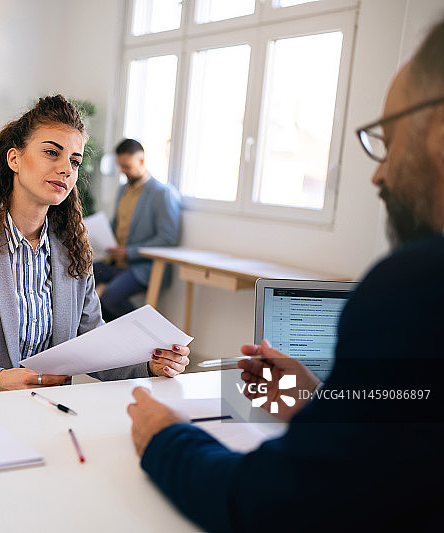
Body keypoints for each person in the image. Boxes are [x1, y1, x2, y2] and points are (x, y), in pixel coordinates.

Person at [126, 18, 444, 532]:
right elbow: (412, 421)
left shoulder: (417, 287)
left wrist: (167, 438)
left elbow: (274, 505)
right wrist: (323, 404)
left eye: (388, 142)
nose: (378, 174)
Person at [0, 95, 190, 398]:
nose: (66, 168)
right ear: (14, 159)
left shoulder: (73, 251)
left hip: (45, 414)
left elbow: (92, 343)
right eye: (52, 153)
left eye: (74, 161)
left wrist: (150, 365)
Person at [94, 139, 181, 321]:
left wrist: (129, 252)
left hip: (142, 266)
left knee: (111, 297)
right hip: (115, 263)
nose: (122, 171)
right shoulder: (123, 189)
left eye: (127, 166)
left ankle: (146, 330)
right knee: (79, 276)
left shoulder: (162, 194)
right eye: (120, 166)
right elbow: (115, 224)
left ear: (141, 161)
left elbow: (167, 238)